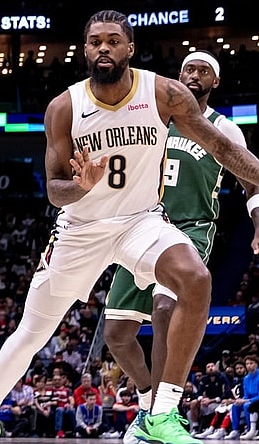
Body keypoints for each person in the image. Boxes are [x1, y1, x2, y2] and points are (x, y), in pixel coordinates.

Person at [0, 9, 259, 444]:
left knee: (195, 278)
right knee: (31, 334)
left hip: (140, 221)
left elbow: (223, 147)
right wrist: (79, 185)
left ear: (130, 48)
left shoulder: (164, 93)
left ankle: (162, 414)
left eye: (113, 40)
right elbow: (54, 191)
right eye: (95, 41)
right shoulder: (64, 106)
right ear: (85, 49)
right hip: (81, 228)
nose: (103, 48)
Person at [102, 49, 259, 443]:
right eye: (189, 67)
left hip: (189, 230)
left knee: (164, 309)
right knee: (117, 335)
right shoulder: (157, 119)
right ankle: (146, 405)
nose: (194, 74)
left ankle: (162, 413)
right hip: (140, 225)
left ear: (215, 81)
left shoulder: (225, 128)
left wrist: (258, 227)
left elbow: (252, 183)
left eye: (203, 70)